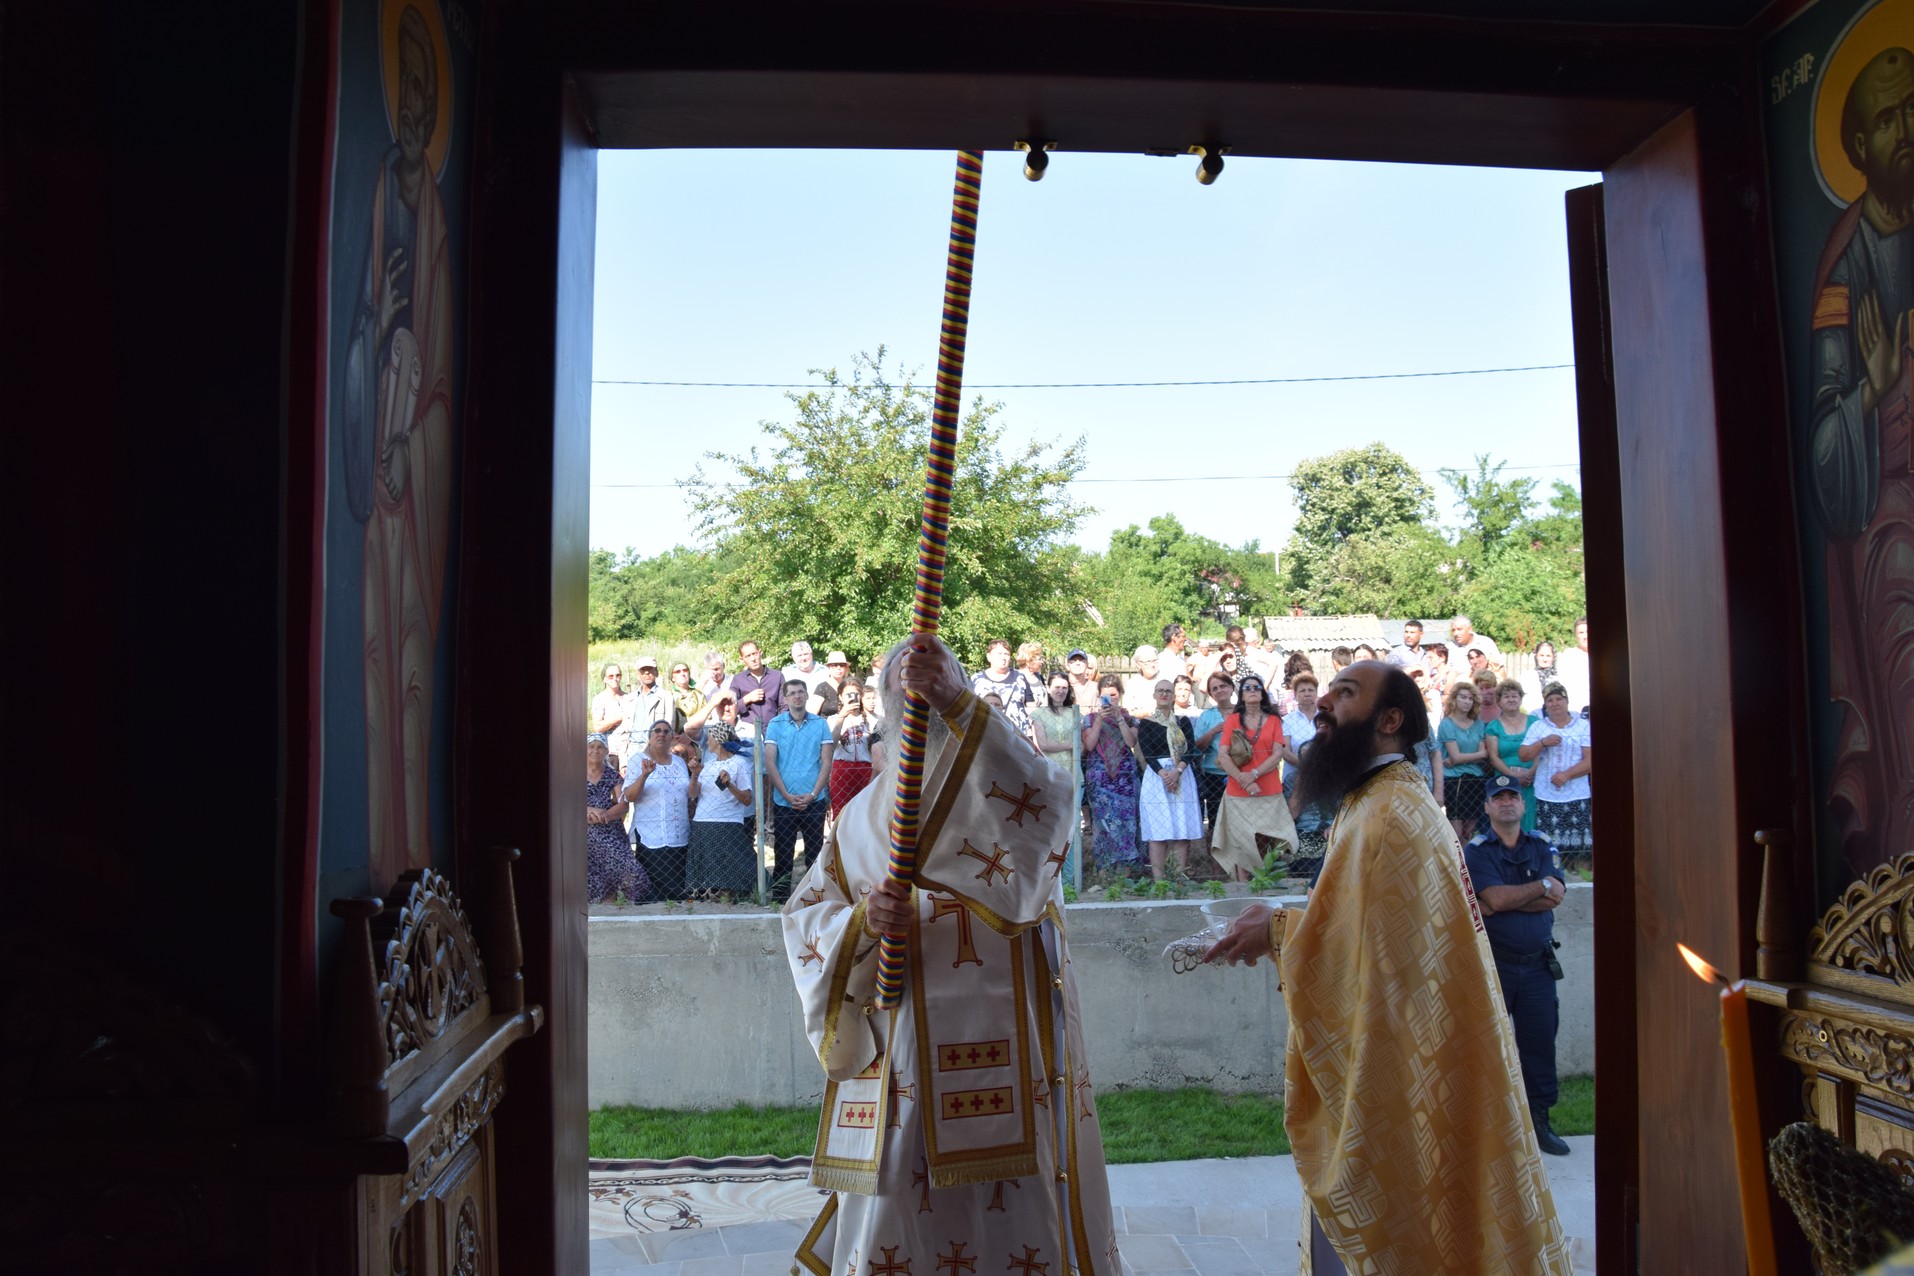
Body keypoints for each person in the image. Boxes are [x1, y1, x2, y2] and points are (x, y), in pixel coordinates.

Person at [1205, 663, 1570, 1271]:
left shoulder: (1390, 813)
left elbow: (1368, 950)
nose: (1324, 702)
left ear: (1390, 719)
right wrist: (1283, 923)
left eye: (1346, 693)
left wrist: (1276, 930)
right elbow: (1367, 928)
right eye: (1328, 690)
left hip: (1404, 1063)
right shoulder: (1378, 799)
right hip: (1407, 1045)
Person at [782, 635, 1118, 1276]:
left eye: (934, 688)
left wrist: (958, 701)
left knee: (1017, 1213)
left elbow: (1052, 798)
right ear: (885, 707)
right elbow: (806, 916)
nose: (919, 701)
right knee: (899, 1211)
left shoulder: (1002, 786)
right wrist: (862, 921)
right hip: (902, 1056)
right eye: (905, 690)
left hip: (1012, 1052)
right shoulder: (861, 817)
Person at [342, 3, 454, 888]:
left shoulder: (439, 226)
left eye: (424, 91)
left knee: (412, 659)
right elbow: (362, 333)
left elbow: (441, 374)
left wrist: (409, 445)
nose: (413, 107)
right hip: (378, 481)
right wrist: (377, 340)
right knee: (377, 663)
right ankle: (382, 858)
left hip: (412, 478)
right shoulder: (381, 188)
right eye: (405, 88)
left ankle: (413, 854)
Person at [1808, 49, 1914, 877]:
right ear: (1857, 145)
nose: (1905, 129)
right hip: (1892, 516)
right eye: (1886, 118)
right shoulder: (1846, 263)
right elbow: (1824, 440)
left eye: (1913, 109)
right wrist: (1871, 393)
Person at [1466, 775, 1572, 1156]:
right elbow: (1493, 897)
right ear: (1487, 807)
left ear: (1523, 805)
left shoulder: (1542, 844)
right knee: (1487, 1046)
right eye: (1499, 798)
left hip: (1538, 967)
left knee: (1539, 1044)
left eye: (1513, 796)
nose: (1507, 802)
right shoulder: (1477, 851)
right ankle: (1487, 1126)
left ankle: (1539, 1121)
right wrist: (1539, 887)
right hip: (1495, 966)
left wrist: (1504, 902)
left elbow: (1554, 895)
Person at [1209, 674, 1295, 881]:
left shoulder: (1274, 720)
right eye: (1247, 688)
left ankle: (1263, 879)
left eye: (1256, 687)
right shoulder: (1233, 720)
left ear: (1262, 693)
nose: (1252, 690)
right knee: (1241, 838)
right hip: (1238, 791)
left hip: (1268, 789)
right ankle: (1243, 883)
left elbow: (1277, 754)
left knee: (1267, 836)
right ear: (1241, 694)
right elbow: (1223, 755)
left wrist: (1254, 775)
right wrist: (1244, 780)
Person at [763, 680, 834, 900]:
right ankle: (781, 898)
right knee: (783, 853)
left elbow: (827, 762)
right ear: (785, 698)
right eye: (792, 693)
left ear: (807, 695)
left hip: (814, 800)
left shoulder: (820, 724)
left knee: (815, 853)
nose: (797, 696)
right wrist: (786, 795)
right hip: (784, 801)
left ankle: (814, 896)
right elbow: (770, 763)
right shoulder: (775, 724)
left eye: (801, 692)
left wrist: (813, 794)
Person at [1520, 683, 1594, 869]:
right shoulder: (1538, 726)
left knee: (1579, 842)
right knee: (1549, 841)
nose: (1554, 703)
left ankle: (1579, 873)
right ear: (1545, 705)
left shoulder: (1582, 725)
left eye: (1558, 699)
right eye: (1549, 700)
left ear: (1567, 701)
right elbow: (1524, 755)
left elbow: (1591, 760)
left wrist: (1567, 775)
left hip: (1577, 794)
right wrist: (1543, 743)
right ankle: (1552, 872)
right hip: (1547, 794)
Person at [622, 720, 695, 901]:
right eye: (657, 731)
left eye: (666, 731)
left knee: (680, 887)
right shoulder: (637, 760)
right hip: (652, 833)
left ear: (672, 737)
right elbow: (629, 796)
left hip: (679, 831)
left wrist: (696, 775)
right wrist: (644, 775)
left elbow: (690, 793)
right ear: (649, 736)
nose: (661, 734)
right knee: (656, 892)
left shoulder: (679, 762)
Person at [683, 718, 755, 898]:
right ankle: (712, 898)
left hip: (727, 823)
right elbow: (693, 794)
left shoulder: (739, 763)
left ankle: (734, 896)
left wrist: (729, 785)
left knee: (731, 867)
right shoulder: (707, 766)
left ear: (719, 740)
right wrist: (695, 775)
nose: (707, 742)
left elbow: (747, 799)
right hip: (702, 823)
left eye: (710, 738)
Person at [1137, 679, 1200, 879]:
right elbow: (1147, 753)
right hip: (1157, 778)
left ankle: (1179, 879)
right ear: (1154, 695)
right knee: (1158, 831)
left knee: (1182, 829)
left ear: (1173, 696)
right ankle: (1160, 882)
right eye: (1160, 691)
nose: (1164, 694)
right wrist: (1165, 775)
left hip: (1182, 774)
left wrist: (1177, 772)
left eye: (1168, 691)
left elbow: (1191, 749)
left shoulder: (1183, 722)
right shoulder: (1146, 723)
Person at [1081, 672, 1143, 874]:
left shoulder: (1130, 719)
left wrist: (1119, 718)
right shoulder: (1089, 719)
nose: (1110, 699)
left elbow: (1130, 741)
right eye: (1105, 696)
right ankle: (1105, 871)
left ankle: (1126, 872)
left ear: (1120, 694)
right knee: (1103, 824)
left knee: (1126, 822)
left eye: (1113, 695)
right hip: (1100, 779)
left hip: (1124, 777)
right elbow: (1089, 745)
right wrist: (1100, 720)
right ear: (1099, 696)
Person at [586, 733, 646, 903]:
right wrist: (588, 810)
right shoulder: (573, 774)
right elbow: (566, 801)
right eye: (591, 747)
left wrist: (604, 815)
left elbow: (623, 804)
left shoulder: (612, 775)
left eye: (600, 747)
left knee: (623, 871)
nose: (595, 750)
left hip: (609, 830)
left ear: (606, 751)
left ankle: (613, 909)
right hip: (583, 832)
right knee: (591, 876)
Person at [1485, 678, 1540, 833]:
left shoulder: (1534, 722)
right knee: (1507, 820)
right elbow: (1494, 757)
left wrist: (1530, 773)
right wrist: (1514, 776)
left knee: (1530, 821)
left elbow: (1541, 751)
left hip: (1532, 781)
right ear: (1499, 701)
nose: (1511, 699)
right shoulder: (1493, 726)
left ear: (1521, 699)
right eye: (1506, 696)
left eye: (1515, 696)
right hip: (1505, 783)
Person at [1438, 681, 1491, 843]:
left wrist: (1460, 758)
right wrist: (1472, 756)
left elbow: (1482, 755)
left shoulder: (1478, 724)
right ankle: (1458, 858)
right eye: (1463, 697)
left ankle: (1467, 857)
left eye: (1470, 698)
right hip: (1455, 780)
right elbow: (1456, 756)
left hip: (1476, 779)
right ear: (1454, 699)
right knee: (1456, 832)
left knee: (1469, 831)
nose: (1467, 702)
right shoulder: (1447, 724)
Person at [1190, 673, 1235, 842]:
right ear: (1210, 694)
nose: (1219, 690)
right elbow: (1197, 747)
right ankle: (1215, 858)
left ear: (1231, 688)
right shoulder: (1206, 716)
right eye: (1214, 688)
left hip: (1241, 774)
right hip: (1214, 776)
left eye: (1223, 686)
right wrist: (1213, 731)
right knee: (1216, 823)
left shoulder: (1244, 713)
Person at [826, 679, 877, 816]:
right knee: (841, 813)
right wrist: (842, 717)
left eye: (856, 694)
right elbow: (831, 744)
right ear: (841, 697)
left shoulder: (872, 720)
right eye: (848, 694)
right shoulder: (833, 719)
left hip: (866, 769)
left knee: (864, 812)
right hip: (842, 769)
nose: (852, 697)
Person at [970, 637, 1035, 736]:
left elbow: (1032, 708)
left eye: (1006, 654)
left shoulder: (1020, 677)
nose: (1003, 657)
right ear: (989, 657)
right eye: (999, 653)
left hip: (1019, 736)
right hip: (987, 735)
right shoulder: (976, 679)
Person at [729, 640, 785, 739]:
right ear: (742, 659)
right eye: (748, 656)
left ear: (760, 653)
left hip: (774, 732)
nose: (753, 659)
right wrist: (747, 699)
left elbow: (784, 706)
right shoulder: (738, 680)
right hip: (749, 735)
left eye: (754, 654)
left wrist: (780, 726)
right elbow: (730, 709)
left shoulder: (777, 676)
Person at [591, 663, 638, 772]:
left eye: (618, 675)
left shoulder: (629, 698)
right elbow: (597, 727)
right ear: (604, 679)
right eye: (610, 676)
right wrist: (619, 718)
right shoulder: (599, 699)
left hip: (629, 751)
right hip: (610, 752)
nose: (615, 679)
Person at [1279, 671, 1319, 792]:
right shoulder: (1286, 721)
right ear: (1295, 695)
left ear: (1316, 693)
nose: (1307, 694)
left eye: (1310, 690)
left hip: (1322, 777)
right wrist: (1307, 768)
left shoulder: (1326, 719)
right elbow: (1285, 752)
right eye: (1302, 691)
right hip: (1294, 780)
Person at [627, 655, 673, 734]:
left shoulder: (666, 698)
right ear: (638, 674)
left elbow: (669, 727)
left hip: (656, 741)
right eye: (643, 669)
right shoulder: (630, 699)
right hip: (632, 741)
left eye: (650, 669)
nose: (647, 672)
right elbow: (626, 726)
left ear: (656, 672)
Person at [1553, 618, 1591, 714]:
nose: (1585, 636)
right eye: (1581, 632)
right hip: (1575, 709)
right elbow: (1562, 684)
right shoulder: (1568, 656)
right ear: (1575, 635)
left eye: (1587, 631)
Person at [1519, 640, 1562, 714]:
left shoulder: (1560, 678)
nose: (1545, 659)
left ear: (1553, 658)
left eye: (1548, 656)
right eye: (1541, 655)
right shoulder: (1527, 676)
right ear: (1536, 656)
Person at [811, 650, 854, 718]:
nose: (838, 668)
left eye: (842, 665)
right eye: (834, 665)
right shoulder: (822, 687)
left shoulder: (850, 687)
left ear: (846, 668)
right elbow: (812, 715)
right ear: (829, 667)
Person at [1121, 644, 1161, 716]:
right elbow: (1127, 710)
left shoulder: (1165, 679)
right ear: (1138, 665)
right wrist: (1142, 714)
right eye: (1148, 661)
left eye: (1155, 660)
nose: (1152, 665)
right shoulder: (1133, 683)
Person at [667, 660, 704, 729]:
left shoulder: (699, 695)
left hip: (697, 732)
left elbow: (707, 717)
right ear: (672, 678)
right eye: (678, 671)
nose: (682, 673)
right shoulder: (667, 696)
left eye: (685, 670)